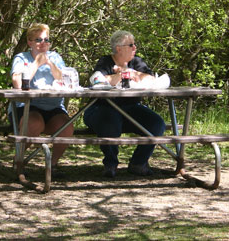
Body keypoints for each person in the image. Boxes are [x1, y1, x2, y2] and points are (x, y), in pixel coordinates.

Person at [83, 30, 166, 178]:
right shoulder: (105, 61)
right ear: (119, 48)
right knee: (110, 119)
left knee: (157, 123)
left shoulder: (137, 62)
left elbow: (151, 79)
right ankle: (110, 164)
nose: (135, 48)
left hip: (131, 110)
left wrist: (132, 72)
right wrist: (120, 75)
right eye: (131, 45)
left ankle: (138, 163)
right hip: (101, 109)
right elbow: (97, 79)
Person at [9, 23, 74, 177]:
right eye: (39, 40)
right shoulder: (21, 58)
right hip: (26, 106)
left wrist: (50, 63)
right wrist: (37, 63)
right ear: (30, 42)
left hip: (53, 107)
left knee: (67, 127)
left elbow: (65, 80)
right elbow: (18, 84)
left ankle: (53, 165)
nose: (43, 43)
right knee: (34, 123)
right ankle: (18, 161)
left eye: (46, 40)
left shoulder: (55, 57)